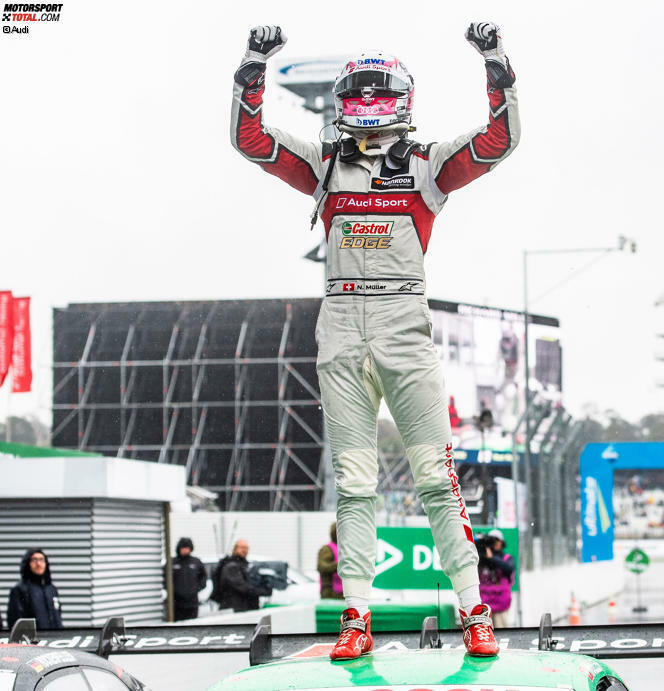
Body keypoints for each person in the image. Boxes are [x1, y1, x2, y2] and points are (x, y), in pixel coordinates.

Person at [231, 21, 519, 660]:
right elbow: (251, 141)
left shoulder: (425, 164)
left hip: (402, 321)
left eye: (376, 92)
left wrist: (496, 67)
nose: (365, 103)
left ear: (403, 100)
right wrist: (252, 70)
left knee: (436, 478)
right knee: (355, 482)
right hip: (340, 320)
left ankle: (476, 612)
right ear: (340, 101)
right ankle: (355, 617)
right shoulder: (324, 163)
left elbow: (499, 141)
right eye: (355, 93)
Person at [7, 548, 63, 630]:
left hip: (53, 639)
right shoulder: (20, 590)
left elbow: (57, 616)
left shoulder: (51, 589)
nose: (38, 564)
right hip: (32, 641)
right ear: (27, 563)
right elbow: (15, 621)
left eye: (41, 560)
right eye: (34, 560)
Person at [217, 540, 272, 613]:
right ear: (235, 549)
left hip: (246, 608)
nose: (244, 550)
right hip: (234, 609)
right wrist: (262, 591)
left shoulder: (246, 565)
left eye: (247, 548)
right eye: (242, 547)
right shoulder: (231, 566)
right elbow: (242, 586)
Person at [477, 529, 514, 627]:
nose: (495, 543)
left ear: (502, 542)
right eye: (492, 540)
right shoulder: (481, 559)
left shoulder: (507, 558)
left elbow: (509, 568)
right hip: (484, 606)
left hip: (500, 605)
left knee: (502, 634)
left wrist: (491, 558)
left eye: (497, 540)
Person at [172, 537, 208, 621]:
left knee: (192, 624)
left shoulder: (196, 562)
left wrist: (195, 589)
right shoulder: (172, 562)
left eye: (187, 548)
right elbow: (164, 579)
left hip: (192, 602)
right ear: (179, 548)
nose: (185, 550)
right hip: (177, 603)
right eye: (183, 548)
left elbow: (203, 577)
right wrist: (174, 591)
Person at [317, 522, 343, 599]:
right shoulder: (327, 549)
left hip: (343, 593)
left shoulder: (344, 548)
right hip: (330, 593)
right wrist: (339, 565)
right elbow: (321, 566)